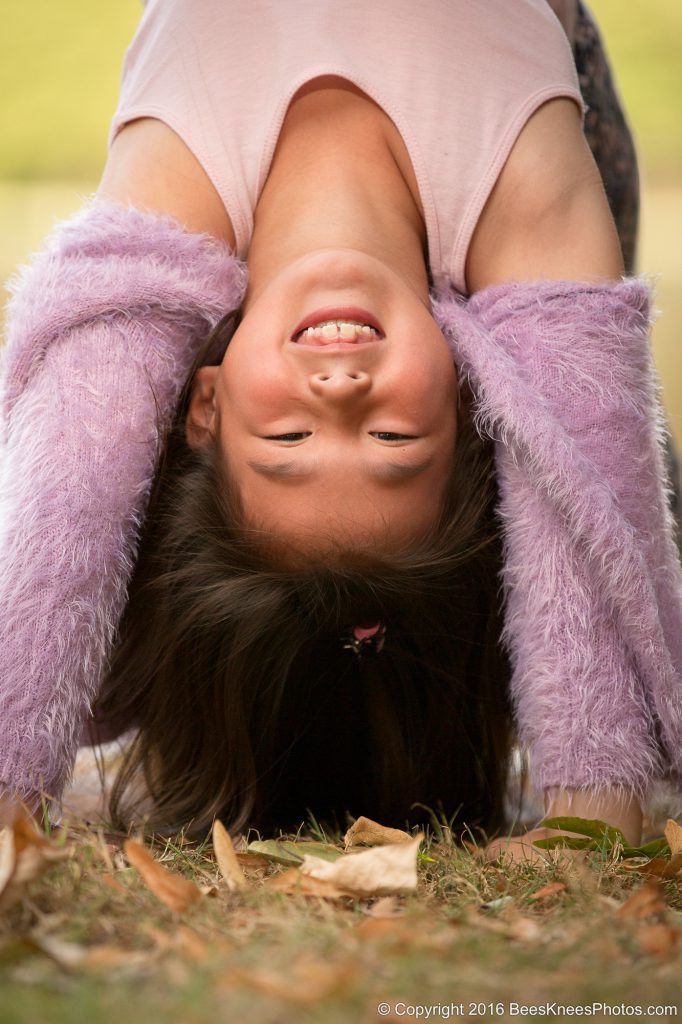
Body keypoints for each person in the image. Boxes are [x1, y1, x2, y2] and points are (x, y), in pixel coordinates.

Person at [1, 1, 681, 858]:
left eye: (287, 441)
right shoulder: (524, 202)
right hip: (531, 224)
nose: (340, 392)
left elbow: (71, 493)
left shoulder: (179, 192)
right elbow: (581, 456)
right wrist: (596, 811)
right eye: (392, 440)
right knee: (591, 431)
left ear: (205, 407)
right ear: (479, 408)